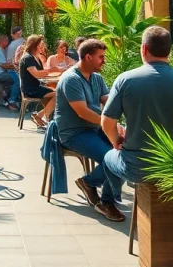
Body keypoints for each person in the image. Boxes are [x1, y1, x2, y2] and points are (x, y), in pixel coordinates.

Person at [100, 26, 173, 222]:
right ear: (169, 51)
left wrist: (116, 140)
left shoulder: (125, 80)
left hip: (138, 167)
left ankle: (108, 202)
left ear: (143, 49)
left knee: (109, 157)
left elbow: (107, 122)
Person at [53, 39, 121, 217]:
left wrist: (127, 110)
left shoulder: (96, 77)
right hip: (74, 132)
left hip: (94, 129)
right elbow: (82, 112)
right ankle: (104, 199)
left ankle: (92, 185)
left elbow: (108, 101)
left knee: (126, 149)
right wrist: (109, 124)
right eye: (101, 57)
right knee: (112, 158)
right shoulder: (71, 79)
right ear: (88, 57)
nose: (104, 61)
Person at [20, 35, 62, 128]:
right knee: (58, 94)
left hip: (37, 86)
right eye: (40, 45)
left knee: (56, 93)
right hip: (31, 89)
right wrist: (52, 70)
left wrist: (56, 73)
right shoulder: (28, 58)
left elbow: (42, 74)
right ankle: (40, 117)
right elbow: (36, 74)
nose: (43, 47)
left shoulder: (36, 57)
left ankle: (43, 118)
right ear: (34, 45)